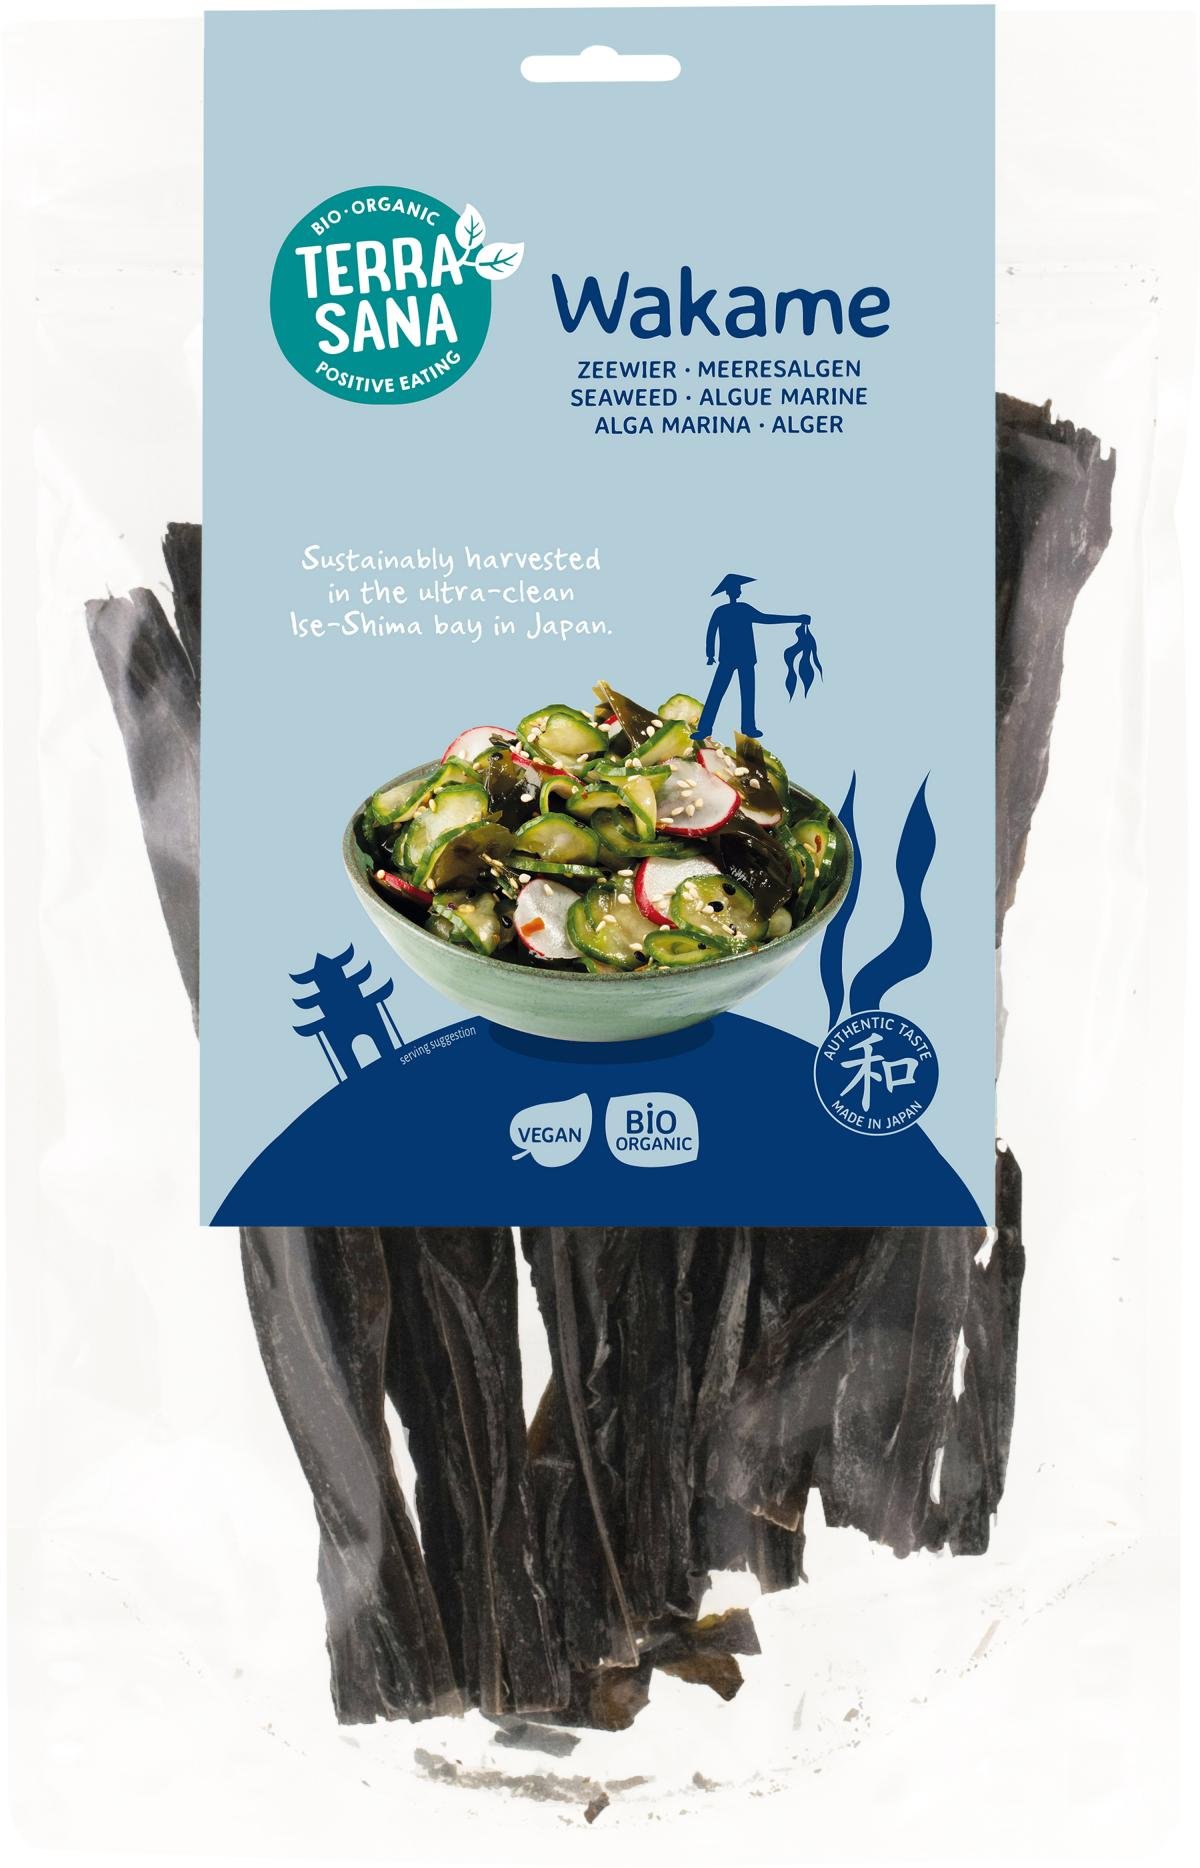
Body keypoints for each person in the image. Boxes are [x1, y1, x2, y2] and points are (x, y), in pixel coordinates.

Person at [694, 573, 811, 740]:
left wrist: (796, 618)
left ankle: (744, 727)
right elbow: (711, 632)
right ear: (732, 592)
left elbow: (765, 619)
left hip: (742, 658)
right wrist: (710, 654)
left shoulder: (732, 610)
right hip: (733, 658)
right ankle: (709, 728)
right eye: (737, 588)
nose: (739, 591)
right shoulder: (731, 610)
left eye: (739, 588)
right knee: (722, 693)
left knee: (740, 693)